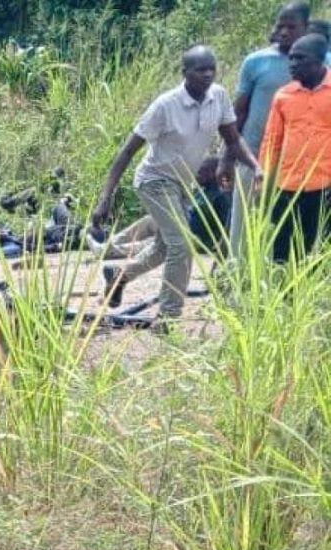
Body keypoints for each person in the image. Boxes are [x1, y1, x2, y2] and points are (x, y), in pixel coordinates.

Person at [91, 46, 258, 318]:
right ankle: (168, 316)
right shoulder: (165, 106)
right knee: (181, 244)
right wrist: (106, 196)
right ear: (185, 73)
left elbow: (233, 139)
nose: (207, 74)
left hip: (182, 184)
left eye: (211, 69)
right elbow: (127, 151)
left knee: (164, 246)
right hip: (154, 181)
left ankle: (119, 275)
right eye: (200, 69)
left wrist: (255, 166)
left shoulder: (219, 97)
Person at [224, 3, 311, 253]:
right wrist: (226, 157)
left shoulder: (323, 62)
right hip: (254, 158)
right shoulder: (256, 61)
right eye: (279, 26)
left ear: (306, 28)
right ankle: (236, 284)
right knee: (242, 230)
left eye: (291, 27)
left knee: (287, 230)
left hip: (301, 165)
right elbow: (237, 114)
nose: (283, 32)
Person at [259, 33, 331, 262]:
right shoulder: (284, 96)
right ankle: (283, 295)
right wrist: (262, 176)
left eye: (300, 59)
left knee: (313, 251)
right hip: (287, 186)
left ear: (319, 60)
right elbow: (272, 140)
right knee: (281, 247)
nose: (292, 64)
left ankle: (308, 295)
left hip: (324, 187)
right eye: (291, 58)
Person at [103, 157, 232, 259]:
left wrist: (219, 246)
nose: (196, 174)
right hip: (181, 227)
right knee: (150, 220)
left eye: (202, 171)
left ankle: (115, 251)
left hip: (197, 239)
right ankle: (108, 245)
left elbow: (226, 224)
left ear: (215, 173)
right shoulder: (201, 191)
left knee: (158, 241)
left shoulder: (221, 195)